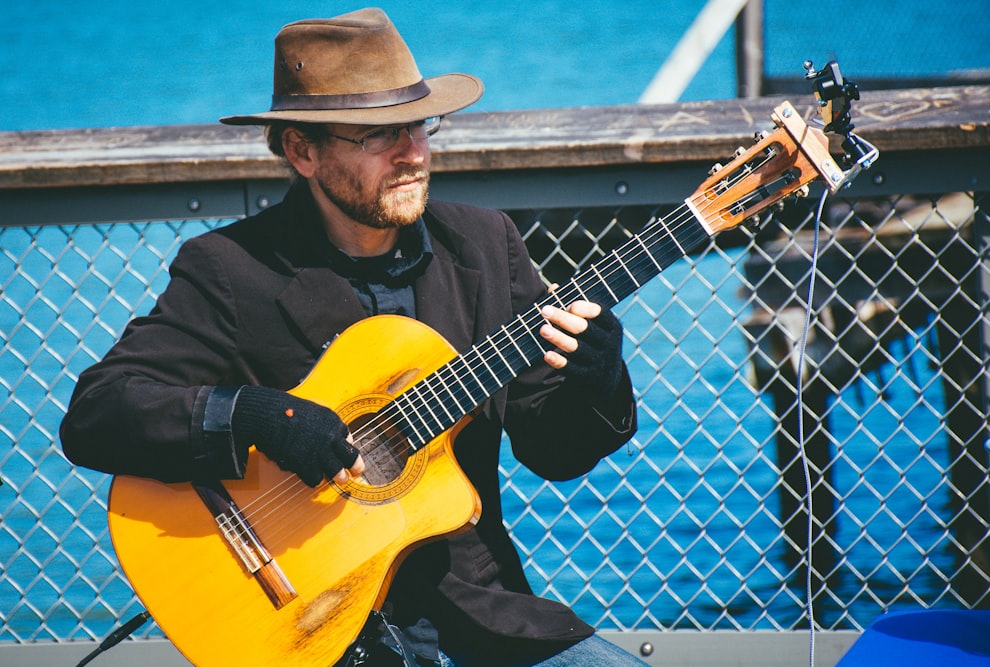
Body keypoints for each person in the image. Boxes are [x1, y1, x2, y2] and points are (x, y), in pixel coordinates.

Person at [60, 8, 645, 667]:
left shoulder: (485, 246)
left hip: (480, 618)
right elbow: (97, 411)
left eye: (420, 124)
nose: (414, 152)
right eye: (378, 134)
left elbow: (555, 453)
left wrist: (598, 377)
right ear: (302, 151)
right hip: (312, 623)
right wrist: (256, 415)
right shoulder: (231, 269)